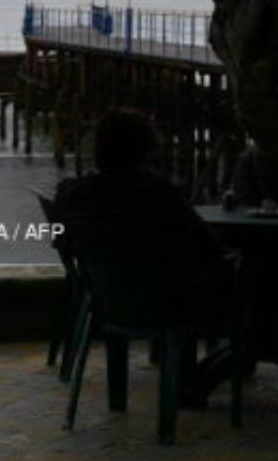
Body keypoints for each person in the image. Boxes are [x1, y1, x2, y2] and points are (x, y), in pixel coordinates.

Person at [54, 109, 232, 383]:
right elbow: (203, 246)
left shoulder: (74, 194)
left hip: (105, 299)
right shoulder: (160, 196)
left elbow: (66, 241)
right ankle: (215, 370)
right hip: (166, 301)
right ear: (146, 151)